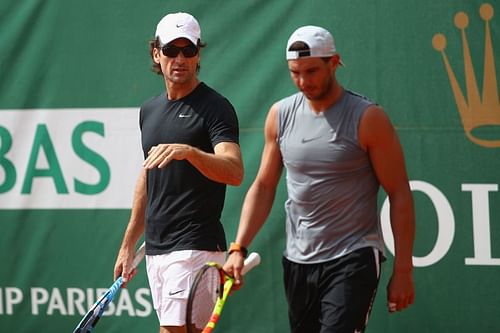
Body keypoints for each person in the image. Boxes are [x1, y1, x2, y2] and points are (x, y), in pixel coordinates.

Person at [223, 25, 415, 333]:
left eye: (311, 71)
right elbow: (264, 185)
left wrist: (404, 268)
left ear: (334, 62)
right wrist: (238, 248)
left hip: (352, 257)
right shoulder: (280, 114)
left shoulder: (368, 118)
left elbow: (400, 193)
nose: (303, 81)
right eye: (294, 72)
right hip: (298, 262)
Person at [113, 12, 243, 333]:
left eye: (189, 50)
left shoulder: (216, 107)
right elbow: (148, 176)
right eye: (171, 50)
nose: (180, 58)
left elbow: (234, 170)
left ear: (199, 53)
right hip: (157, 250)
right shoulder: (149, 110)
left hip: (194, 247)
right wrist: (129, 244)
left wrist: (190, 152)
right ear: (156, 53)